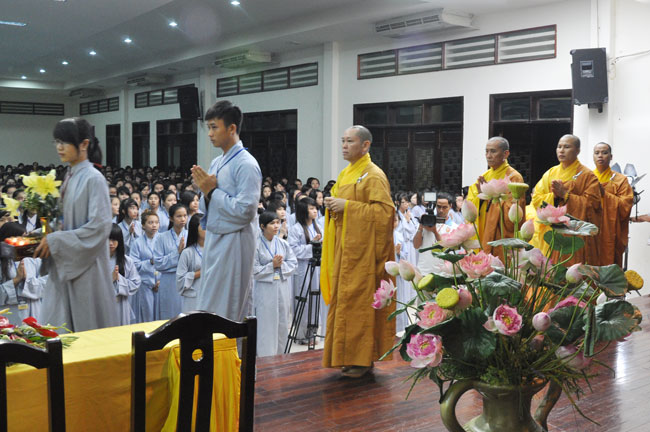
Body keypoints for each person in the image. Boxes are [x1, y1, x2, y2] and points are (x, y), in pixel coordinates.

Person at [321, 125, 395, 378]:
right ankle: (345, 356)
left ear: (365, 145)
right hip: (346, 250)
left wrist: (348, 207)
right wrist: (333, 206)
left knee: (359, 306)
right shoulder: (346, 174)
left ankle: (362, 361)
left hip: (364, 255)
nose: (344, 145)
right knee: (344, 304)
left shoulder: (373, 175)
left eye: (350, 141)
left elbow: (385, 214)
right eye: (342, 141)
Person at [37, 117, 120, 331]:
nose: (59, 147)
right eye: (57, 141)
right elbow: (62, 222)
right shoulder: (69, 176)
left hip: (86, 268)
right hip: (65, 263)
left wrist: (55, 241)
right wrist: (41, 233)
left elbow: (99, 227)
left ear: (84, 144)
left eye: (65, 142)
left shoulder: (94, 178)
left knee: (85, 331)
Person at [191, 100, 262, 322]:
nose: (210, 134)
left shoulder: (246, 164)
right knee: (209, 303)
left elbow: (245, 211)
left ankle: (230, 346)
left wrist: (212, 192)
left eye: (214, 127)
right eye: (208, 128)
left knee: (229, 309)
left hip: (235, 244)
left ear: (232, 128)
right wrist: (206, 193)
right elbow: (207, 205)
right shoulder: (216, 162)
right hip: (215, 240)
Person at [530, 134, 601, 265]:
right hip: (551, 231)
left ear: (578, 150)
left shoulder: (587, 175)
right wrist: (553, 197)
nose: (561, 150)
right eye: (559, 147)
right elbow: (536, 198)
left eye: (567, 147)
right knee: (548, 269)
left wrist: (565, 195)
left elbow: (593, 205)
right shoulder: (550, 173)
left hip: (572, 234)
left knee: (570, 271)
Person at [465, 137, 526, 260]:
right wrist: (481, 197)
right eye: (486, 151)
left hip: (501, 236)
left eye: (493, 151)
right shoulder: (485, 176)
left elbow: (513, 213)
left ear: (505, 154)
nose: (488, 156)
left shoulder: (513, 177)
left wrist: (489, 197)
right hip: (483, 231)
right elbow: (470, 204)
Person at [253, 211, 298, 357]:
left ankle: (281, 356)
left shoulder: (283, 244)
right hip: (265, 289)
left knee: (282, 322)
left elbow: (293, 263)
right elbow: (253, 270)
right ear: (262, 226)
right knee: (266, 324)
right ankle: (265, 358)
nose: (276, 226)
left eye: (278, 222)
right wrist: (271, 266)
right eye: (272, 223)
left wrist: (280, 266)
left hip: (282, 287)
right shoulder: (256, 245)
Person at [592, 142, 634, 266]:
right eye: (597, 153)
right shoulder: (587, 178)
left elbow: (625, 205)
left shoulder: (620, 180)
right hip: (590, 228)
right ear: (593, 156)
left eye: (604, 153)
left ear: (611, 157)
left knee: (609, 265)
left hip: (610, 232)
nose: (600, 156)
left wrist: (605, 194)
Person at [288, 197, 323, 343]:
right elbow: (293, 250)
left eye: (315, 208)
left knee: (315, 298)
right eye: (311, 208)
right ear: (303, 211)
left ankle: (312, 332)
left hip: (316, 267)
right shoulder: (296, 229)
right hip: (302, 268)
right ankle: (301, 335)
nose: (315, 211)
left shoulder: (318, 226)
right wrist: (312, 245)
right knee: (304, 299)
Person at [0, 222, 46, 321]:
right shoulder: (2, 262)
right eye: (21, 238)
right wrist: (15, 281)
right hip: (10, 315)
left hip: (34, 312)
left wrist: (28, 281)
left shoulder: (35, 258)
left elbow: (48, 282)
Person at [413, 192, 459, 274]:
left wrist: (435, 232)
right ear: (435, 206)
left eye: (444, 207)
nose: (441, 210)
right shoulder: (426, 221)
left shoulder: (454, 227)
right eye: (439, 206)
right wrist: (420, 228)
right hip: (424, 270)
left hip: (444, 273)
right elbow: (416, 245)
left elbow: (446, 249)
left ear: (450, 206)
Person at [130, 209, 160, 322]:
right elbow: (134, 264)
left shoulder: (163, 239)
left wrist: (161, 281)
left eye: (156, 222)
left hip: (161, 283)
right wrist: (149, 262)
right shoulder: (137, 243)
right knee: (148, 316)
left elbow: (168, 261)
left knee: (161, 315)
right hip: (145, 284)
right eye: (150, 222)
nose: (154, 225)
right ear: (143, 225)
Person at [109, 224, 140, 326]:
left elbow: (135, 283)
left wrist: (119, 279)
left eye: (114, 240)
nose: (110, 243)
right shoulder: (97, 262)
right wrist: (110, 280)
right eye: (107, 239)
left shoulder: (127, 261)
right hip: (103, 305)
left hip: (121, 304)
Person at [176, 214, 204, 312]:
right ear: (195, 229)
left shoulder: (215, 250)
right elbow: (180, 281)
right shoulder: (187, 252)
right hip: (194, 299)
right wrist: (199, 273)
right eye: (203, 226)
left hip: (212, 296)